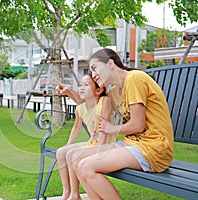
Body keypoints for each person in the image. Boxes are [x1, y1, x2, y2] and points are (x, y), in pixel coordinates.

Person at [55, 48, 174, 199]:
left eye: (94, 68)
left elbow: (138, 125)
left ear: (110, 63)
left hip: (154, 148)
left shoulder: (134, 78)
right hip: (133, 145)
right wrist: (69, 92)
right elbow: (90, 105)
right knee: (75, 157)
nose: (93, 75)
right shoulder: (112, 92)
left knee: (86, 166)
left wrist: (112, 128)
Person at [55, 74, 117, 200]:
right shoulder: (80, 108)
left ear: (98, 90)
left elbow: (103, 128)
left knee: (72, 155)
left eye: (86, 85)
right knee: (61, 152)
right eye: (80, 85)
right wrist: (68, 144)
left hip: (105, 144)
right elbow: (76, 128)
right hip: (92, 142)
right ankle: (67, 192)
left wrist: (100, 151)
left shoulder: (103, 101)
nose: (81, 88)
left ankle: (75, 195)